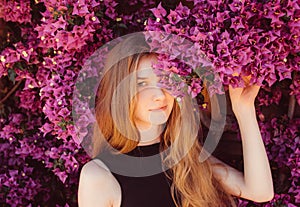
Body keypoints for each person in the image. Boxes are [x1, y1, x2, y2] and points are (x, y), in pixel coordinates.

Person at [77, 34, 274, 207]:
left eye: (165, 79)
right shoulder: (99, 175)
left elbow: (260, 192)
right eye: (142, 83)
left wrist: (244, 109)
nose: (159, 95)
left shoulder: (186, 158)